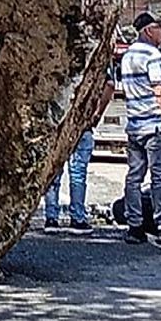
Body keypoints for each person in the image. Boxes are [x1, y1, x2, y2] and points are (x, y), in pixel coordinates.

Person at [120, 12, 161, 245]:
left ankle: (134, 225)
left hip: (134, 125)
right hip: (155, 127)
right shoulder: (153, 55)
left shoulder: (127, 56)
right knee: (160, 178)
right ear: (149, 30)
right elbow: (160, 91)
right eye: (160, 27)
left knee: (134, 177)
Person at [44, 69, 113, 234]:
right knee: (78, 173)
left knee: (53, 173)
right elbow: (109, 85)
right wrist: (97, 114)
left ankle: (51, 217)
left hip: (58, 124)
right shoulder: (94, 67)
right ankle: (77, 217)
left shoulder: (59, 65)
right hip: (82, 124)